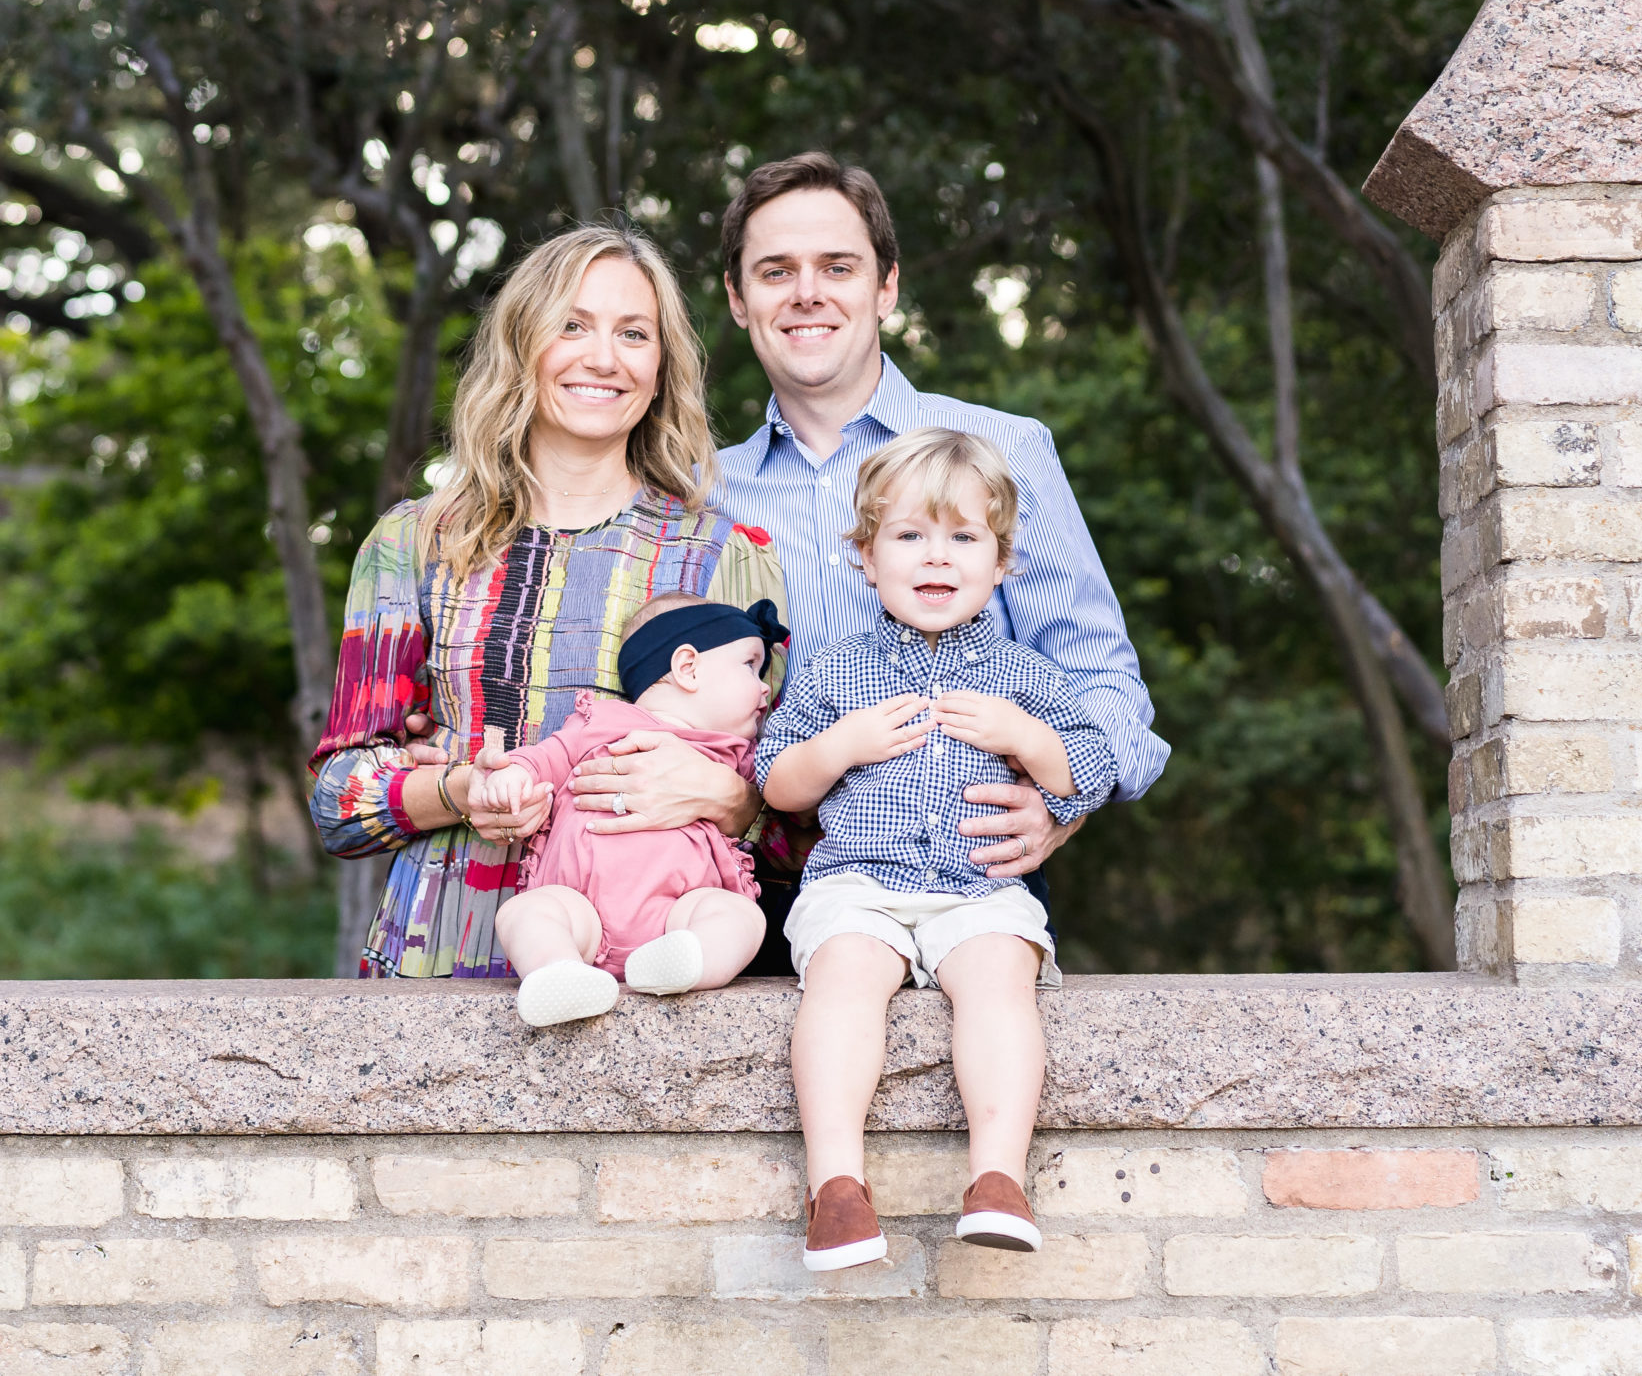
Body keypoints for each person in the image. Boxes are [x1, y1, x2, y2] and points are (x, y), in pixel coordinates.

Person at [716, 151, 1167, 964]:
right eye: (776, 270)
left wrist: (1059, 808)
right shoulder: (701, 493)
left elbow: (1101, 679)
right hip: (756, 895)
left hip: (976, 882)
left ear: (886, 286)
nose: (807, 292)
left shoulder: (1006, 450)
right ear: (738, 298)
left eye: (838, 266)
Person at [310, 226, 782, 978]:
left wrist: (729, 798)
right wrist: (459, 788)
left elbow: (795, 813)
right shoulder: (414, 542)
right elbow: (338, 803)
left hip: (653, 974)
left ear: (661, 368)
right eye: (572, 325)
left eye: (634, 333)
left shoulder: (725, 555)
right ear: (521, 344)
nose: (604, 358)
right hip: (440, 959)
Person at [756, 428, 1114, 1270]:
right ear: (866, 557)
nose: (936, 556)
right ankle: (836, 1189)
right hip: (859, 883)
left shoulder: (1025, 675)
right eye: (910, 534)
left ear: (1003, 562)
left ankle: (998, 1178)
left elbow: (1091, 768)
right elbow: (776, 778)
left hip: (978, 886)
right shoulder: (835, 672)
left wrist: (1026, 735)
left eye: (963, 536)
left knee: (999, 979)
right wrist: (838, 747)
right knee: (843, 978)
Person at [476, 594, 786, 1026]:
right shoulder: (601, 722)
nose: (765, 686)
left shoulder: (735, 754)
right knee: (527, 912)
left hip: (680, 913)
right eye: (750, 665)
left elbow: (772, 802)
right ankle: (558, 970)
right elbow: (548, 756)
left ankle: (689, 961)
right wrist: (514, 774)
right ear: (688, 667)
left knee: (740, 917)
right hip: (582, 910)